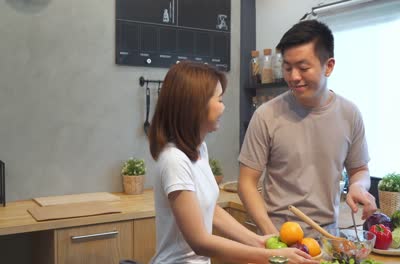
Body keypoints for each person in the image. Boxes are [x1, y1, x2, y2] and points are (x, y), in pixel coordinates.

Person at [148, 61, 315, 264]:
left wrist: (258, 241)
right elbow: (199, 241)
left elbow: (211, 211)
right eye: (219, 99)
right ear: (195, 106)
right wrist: (271, 256)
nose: (223, 107)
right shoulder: (174, 160)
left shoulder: (198, 149)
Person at [238, 20, 377, 238]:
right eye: (287, 67)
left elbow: (359, 169)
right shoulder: (266, 115)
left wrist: (358, 186)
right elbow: (246, 182)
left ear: (329, 66)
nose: (293, 76)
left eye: (303, 68)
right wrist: (269, 234)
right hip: (278, 236)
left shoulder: (350, 114)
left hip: (327, 237)